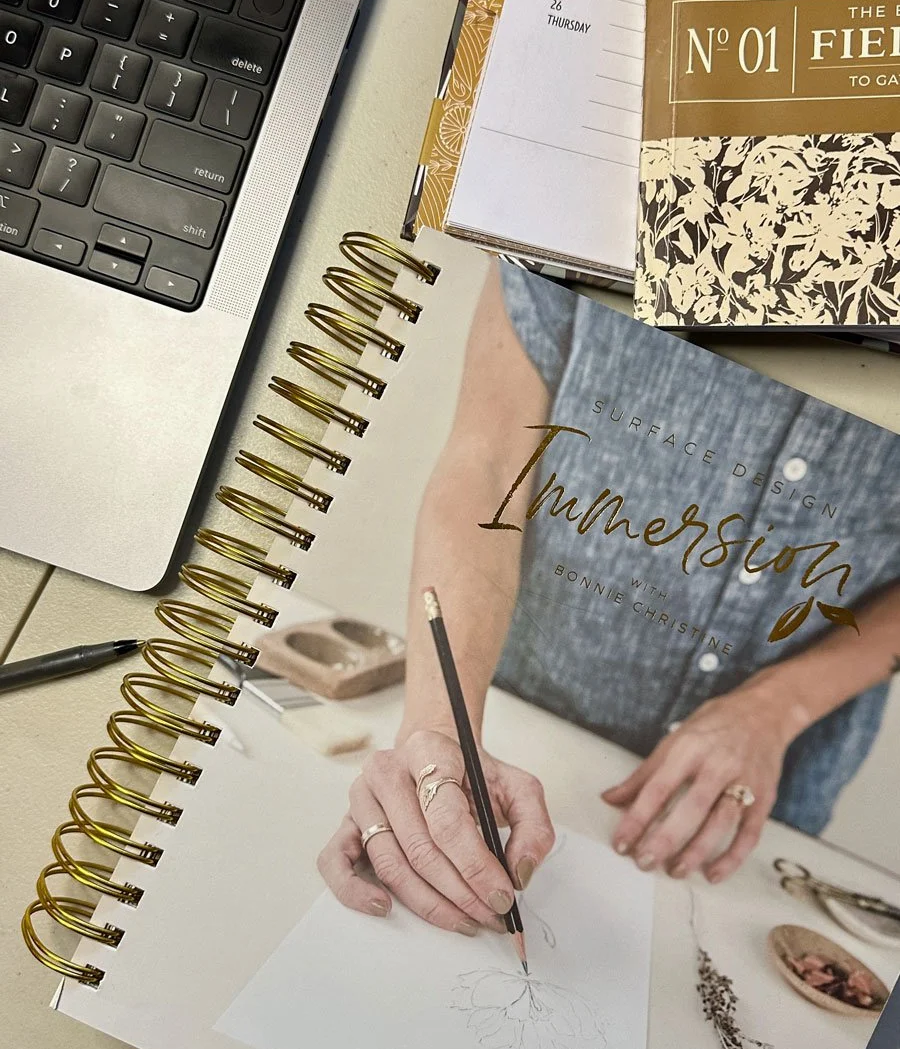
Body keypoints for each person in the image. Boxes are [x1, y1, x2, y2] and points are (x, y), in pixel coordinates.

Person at [318, 260, 900, 938]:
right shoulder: (582, 177)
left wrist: (779, 706)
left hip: (764, 788)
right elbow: (488, 463)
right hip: (526, 714)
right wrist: (436, 731)